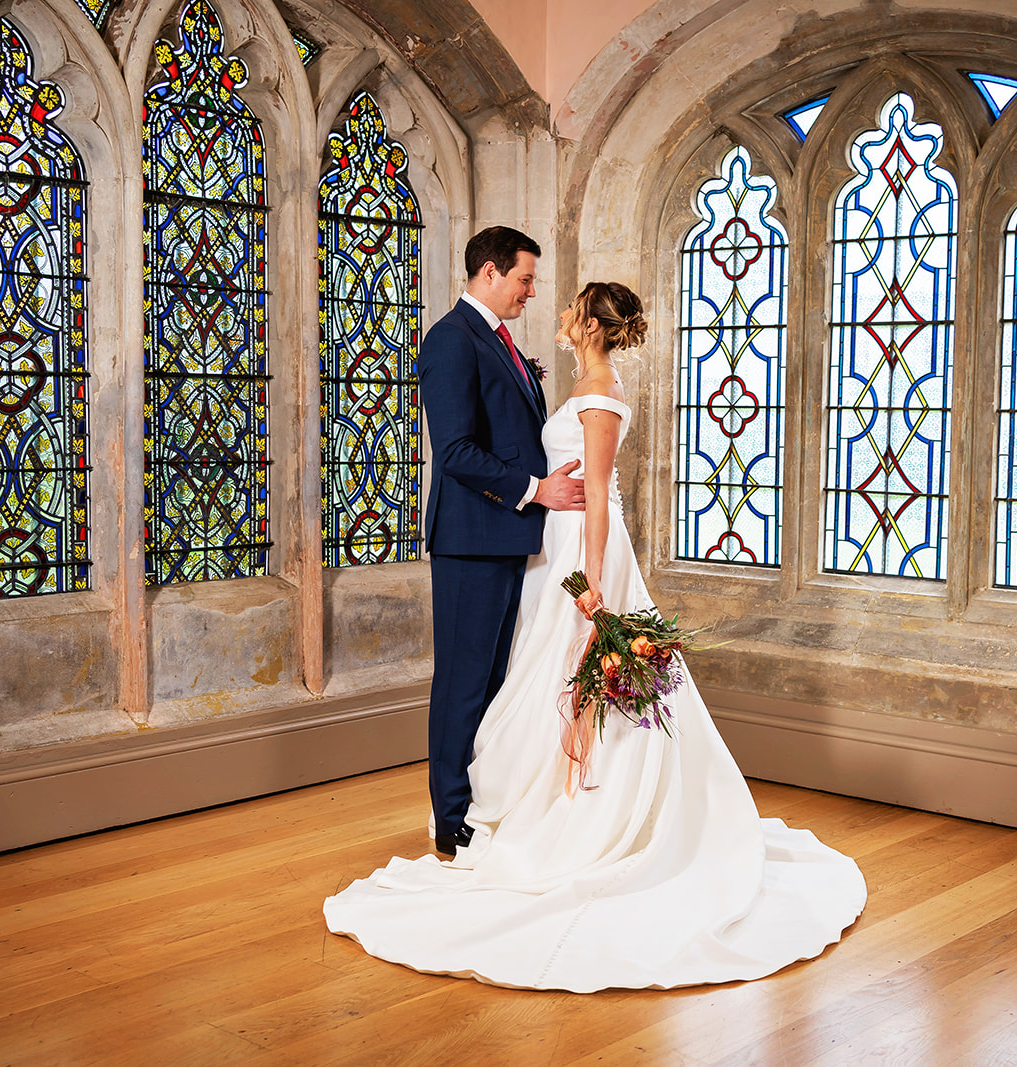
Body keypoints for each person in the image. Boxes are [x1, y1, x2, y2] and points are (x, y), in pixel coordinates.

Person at [325, 282, 867, 993]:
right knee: (532, 678)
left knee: (565, 676)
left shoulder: (602, 390)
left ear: (589, 323)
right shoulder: (580, 379)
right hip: (549, 541)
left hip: (582, 548)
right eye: (526, 281)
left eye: (567, 304)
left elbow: (602, 490)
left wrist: (593, 584)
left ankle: (583, 817)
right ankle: (515, 807)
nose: (547, 306)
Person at [415, 227, 584, 858]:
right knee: (462, 682)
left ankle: (482, 802)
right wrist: (536, 490)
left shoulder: (498, 340)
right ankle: (449, 818)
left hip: (507, 538)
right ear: (490, 273)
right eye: (524, 278)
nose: (531, 291)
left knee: (493, 683)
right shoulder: (451, 341)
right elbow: (457, 452)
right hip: (471, 540)